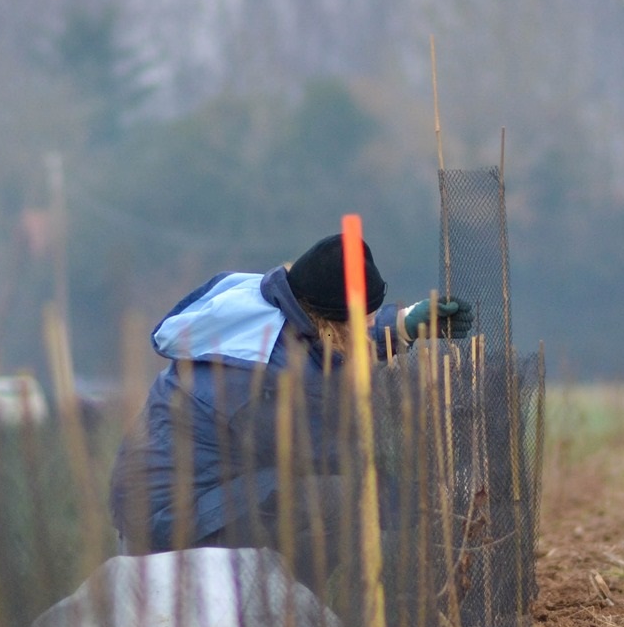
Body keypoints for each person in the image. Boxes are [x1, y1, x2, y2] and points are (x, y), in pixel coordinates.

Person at [109, 232, 473, 586]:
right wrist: (428, 499)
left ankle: (283, 604)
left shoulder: (265, 298)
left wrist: (403, 325)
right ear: (332, 323)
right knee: (339, 497)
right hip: (170, 527)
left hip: (195, 494)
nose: (371, 325)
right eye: (367, 319)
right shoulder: (273, 381)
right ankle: (289, 614)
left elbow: (324, 343)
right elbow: (333, 460)